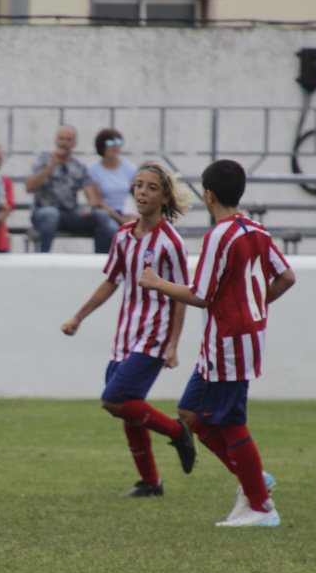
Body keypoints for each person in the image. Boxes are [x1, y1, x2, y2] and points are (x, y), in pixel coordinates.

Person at [139, 159, 296, 527]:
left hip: (229, 340)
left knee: (230, 423)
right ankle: (254, 481)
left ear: (208, 196)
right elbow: (286, 277)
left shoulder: (219, 236)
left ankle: (260, 507)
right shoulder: (256, 229)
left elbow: (202, 295)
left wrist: (158, 283)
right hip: (232, 339)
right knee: (190, 413)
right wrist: (253, 305)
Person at [61, 162, 197, 498]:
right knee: (128, 408)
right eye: (138, 185)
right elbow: (111, 281)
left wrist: (174, 345)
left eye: (151, 187)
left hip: (156, 333)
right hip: (126, 335)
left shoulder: (171, 242)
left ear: (165, 196)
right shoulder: (123, 235)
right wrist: (78, 317)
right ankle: (151, 482)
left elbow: (182, 295)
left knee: (114, 400)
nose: (142, 192)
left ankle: (177, 431)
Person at [26, 125, 117, 253]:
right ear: (56, 141)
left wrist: (89, 207)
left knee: (102, 216)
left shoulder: (79, 167)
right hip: (43, 213)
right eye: (61, 139)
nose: (64, 143)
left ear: (74, 143)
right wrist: (51, 166)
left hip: (69, 214)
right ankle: (43, 257)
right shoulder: (43, 160)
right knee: (52, 214)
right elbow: (29, 187)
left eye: (68, 140)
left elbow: (93, 198)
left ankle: (100, 262)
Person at [88, 129, 139, 226]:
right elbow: (98, 201)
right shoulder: (93, 170)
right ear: (102, 146)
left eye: (118, 142)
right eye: (110, 142)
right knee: (110, 228)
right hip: (106, 214)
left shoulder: (131, 168)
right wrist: (121, 220)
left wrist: (130, 216)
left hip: (129, 212)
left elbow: (135, 196)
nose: (115, 146)